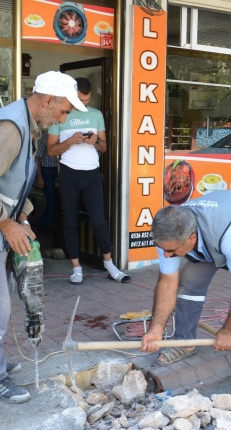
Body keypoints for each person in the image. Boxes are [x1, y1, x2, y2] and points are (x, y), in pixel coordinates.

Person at [0, 71, 87, 404]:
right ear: (48, 100)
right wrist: (6, 225)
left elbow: (12, 182)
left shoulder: (27, 123)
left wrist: (21, 215)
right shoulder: (12, 128)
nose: (62, 119)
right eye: (64, 110)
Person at [140, 191, 231, 401]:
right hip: (215, 230)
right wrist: (156, 329)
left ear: (191, 238)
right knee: (189, 283)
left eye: (171, 251)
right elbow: (167, 281)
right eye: (163, 249)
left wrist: (228, 331)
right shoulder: (170, 237)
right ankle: (185, 342)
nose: (166, 255)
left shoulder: (230, 235)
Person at [47, 77, 129, 284]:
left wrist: (95, 141)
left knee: (98, 221)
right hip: (68, 173)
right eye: (80, 100)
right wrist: (70, 141)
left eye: (87, 100)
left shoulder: (97, 114)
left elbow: (104, 147)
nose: (84, 105)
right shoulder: (60, 115)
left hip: (92, 174)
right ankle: (76, 268)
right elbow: (50, 151)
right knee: (71, 221)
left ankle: (109, 264)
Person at [34, 134, 59, 232]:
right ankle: (54, 231)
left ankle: (41, 225)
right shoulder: (45, 137)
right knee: (52, 201)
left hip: (59, 171)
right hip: (47, 172)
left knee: (55, 202)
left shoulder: (63, 135)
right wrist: (40, 177)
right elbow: (37, 158)